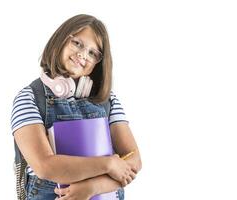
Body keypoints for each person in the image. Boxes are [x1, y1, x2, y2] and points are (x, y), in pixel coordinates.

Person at [11, 14, 142, 200]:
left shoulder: (108, 100)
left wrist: (92, 187)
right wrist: (108, 165)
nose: (83, 55)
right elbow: (44, 166)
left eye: (92, 53)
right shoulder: (30, 98)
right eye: (77, 44)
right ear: (61, 40)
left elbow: (133, 161)